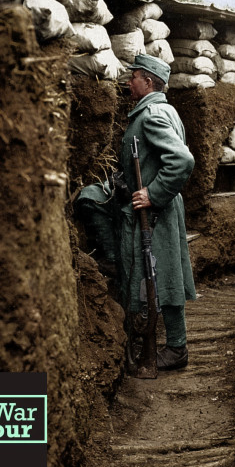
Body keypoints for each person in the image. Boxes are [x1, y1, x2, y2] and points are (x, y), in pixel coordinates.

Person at [76, 53, 196, 371]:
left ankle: (176, 348)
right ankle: (169, 344)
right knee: (161, 276)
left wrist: (152, 194)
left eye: (133, 77)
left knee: (162, 277)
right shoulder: (157, 110)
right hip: (158, 209)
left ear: (147, 80)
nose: (129, 82)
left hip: (156, 211)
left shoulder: (153, 114)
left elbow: (182, 161)